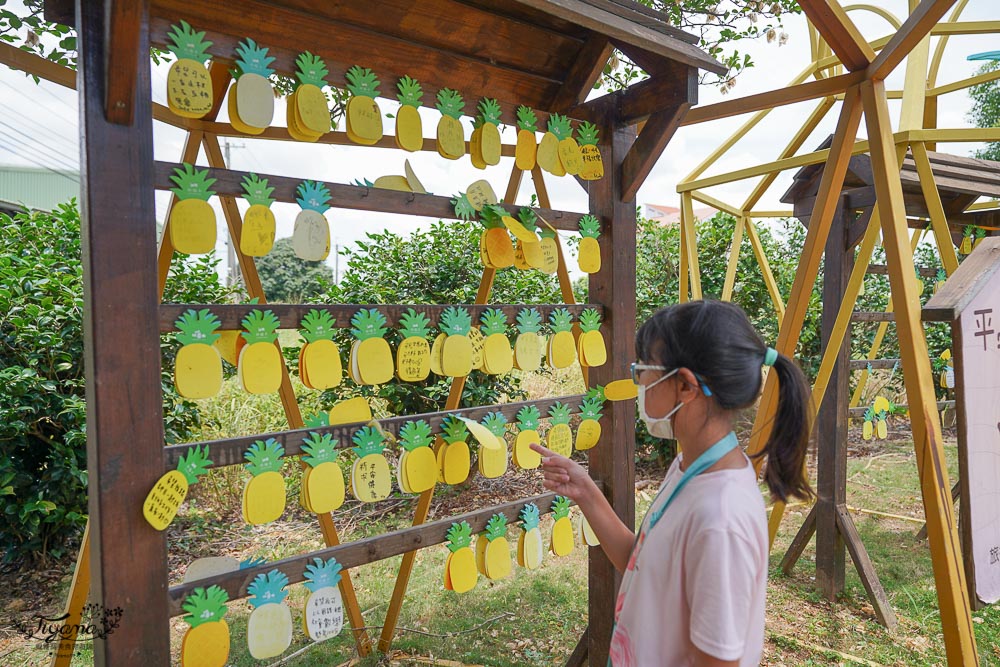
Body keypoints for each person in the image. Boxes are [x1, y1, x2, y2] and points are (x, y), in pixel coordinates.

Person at [530, 300, 813, 666]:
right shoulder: (691, 466)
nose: (639, 382)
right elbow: (642, 561)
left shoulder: (720, 519)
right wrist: (584, 491)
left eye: (644, 370)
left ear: (685, 386)